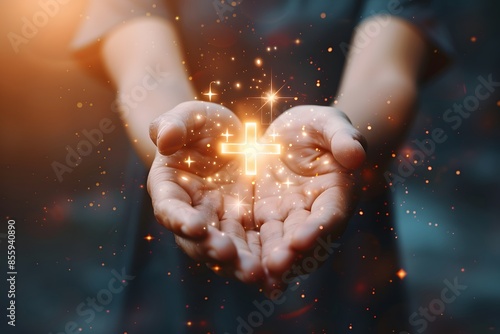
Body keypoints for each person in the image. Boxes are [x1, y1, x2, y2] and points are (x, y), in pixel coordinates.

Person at [70, 0, 452, 332]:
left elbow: (386, 74)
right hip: (193, 194)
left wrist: (340, 137)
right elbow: (145, 73)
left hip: (324, 194)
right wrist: (174, 138)